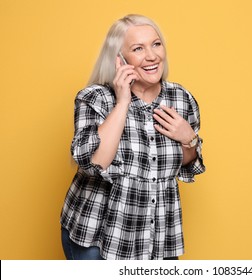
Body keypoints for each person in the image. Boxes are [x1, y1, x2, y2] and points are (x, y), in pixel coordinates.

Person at [60, 14, 205, 260]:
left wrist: (188, 139)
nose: (152, 56)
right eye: (138, 48)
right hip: (97, 236)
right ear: (120, 59)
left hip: (157, 238)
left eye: (156, 44)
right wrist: (123, 101)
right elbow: (96, 163)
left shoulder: (182, 98)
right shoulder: (95, 98)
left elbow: (185, 163)